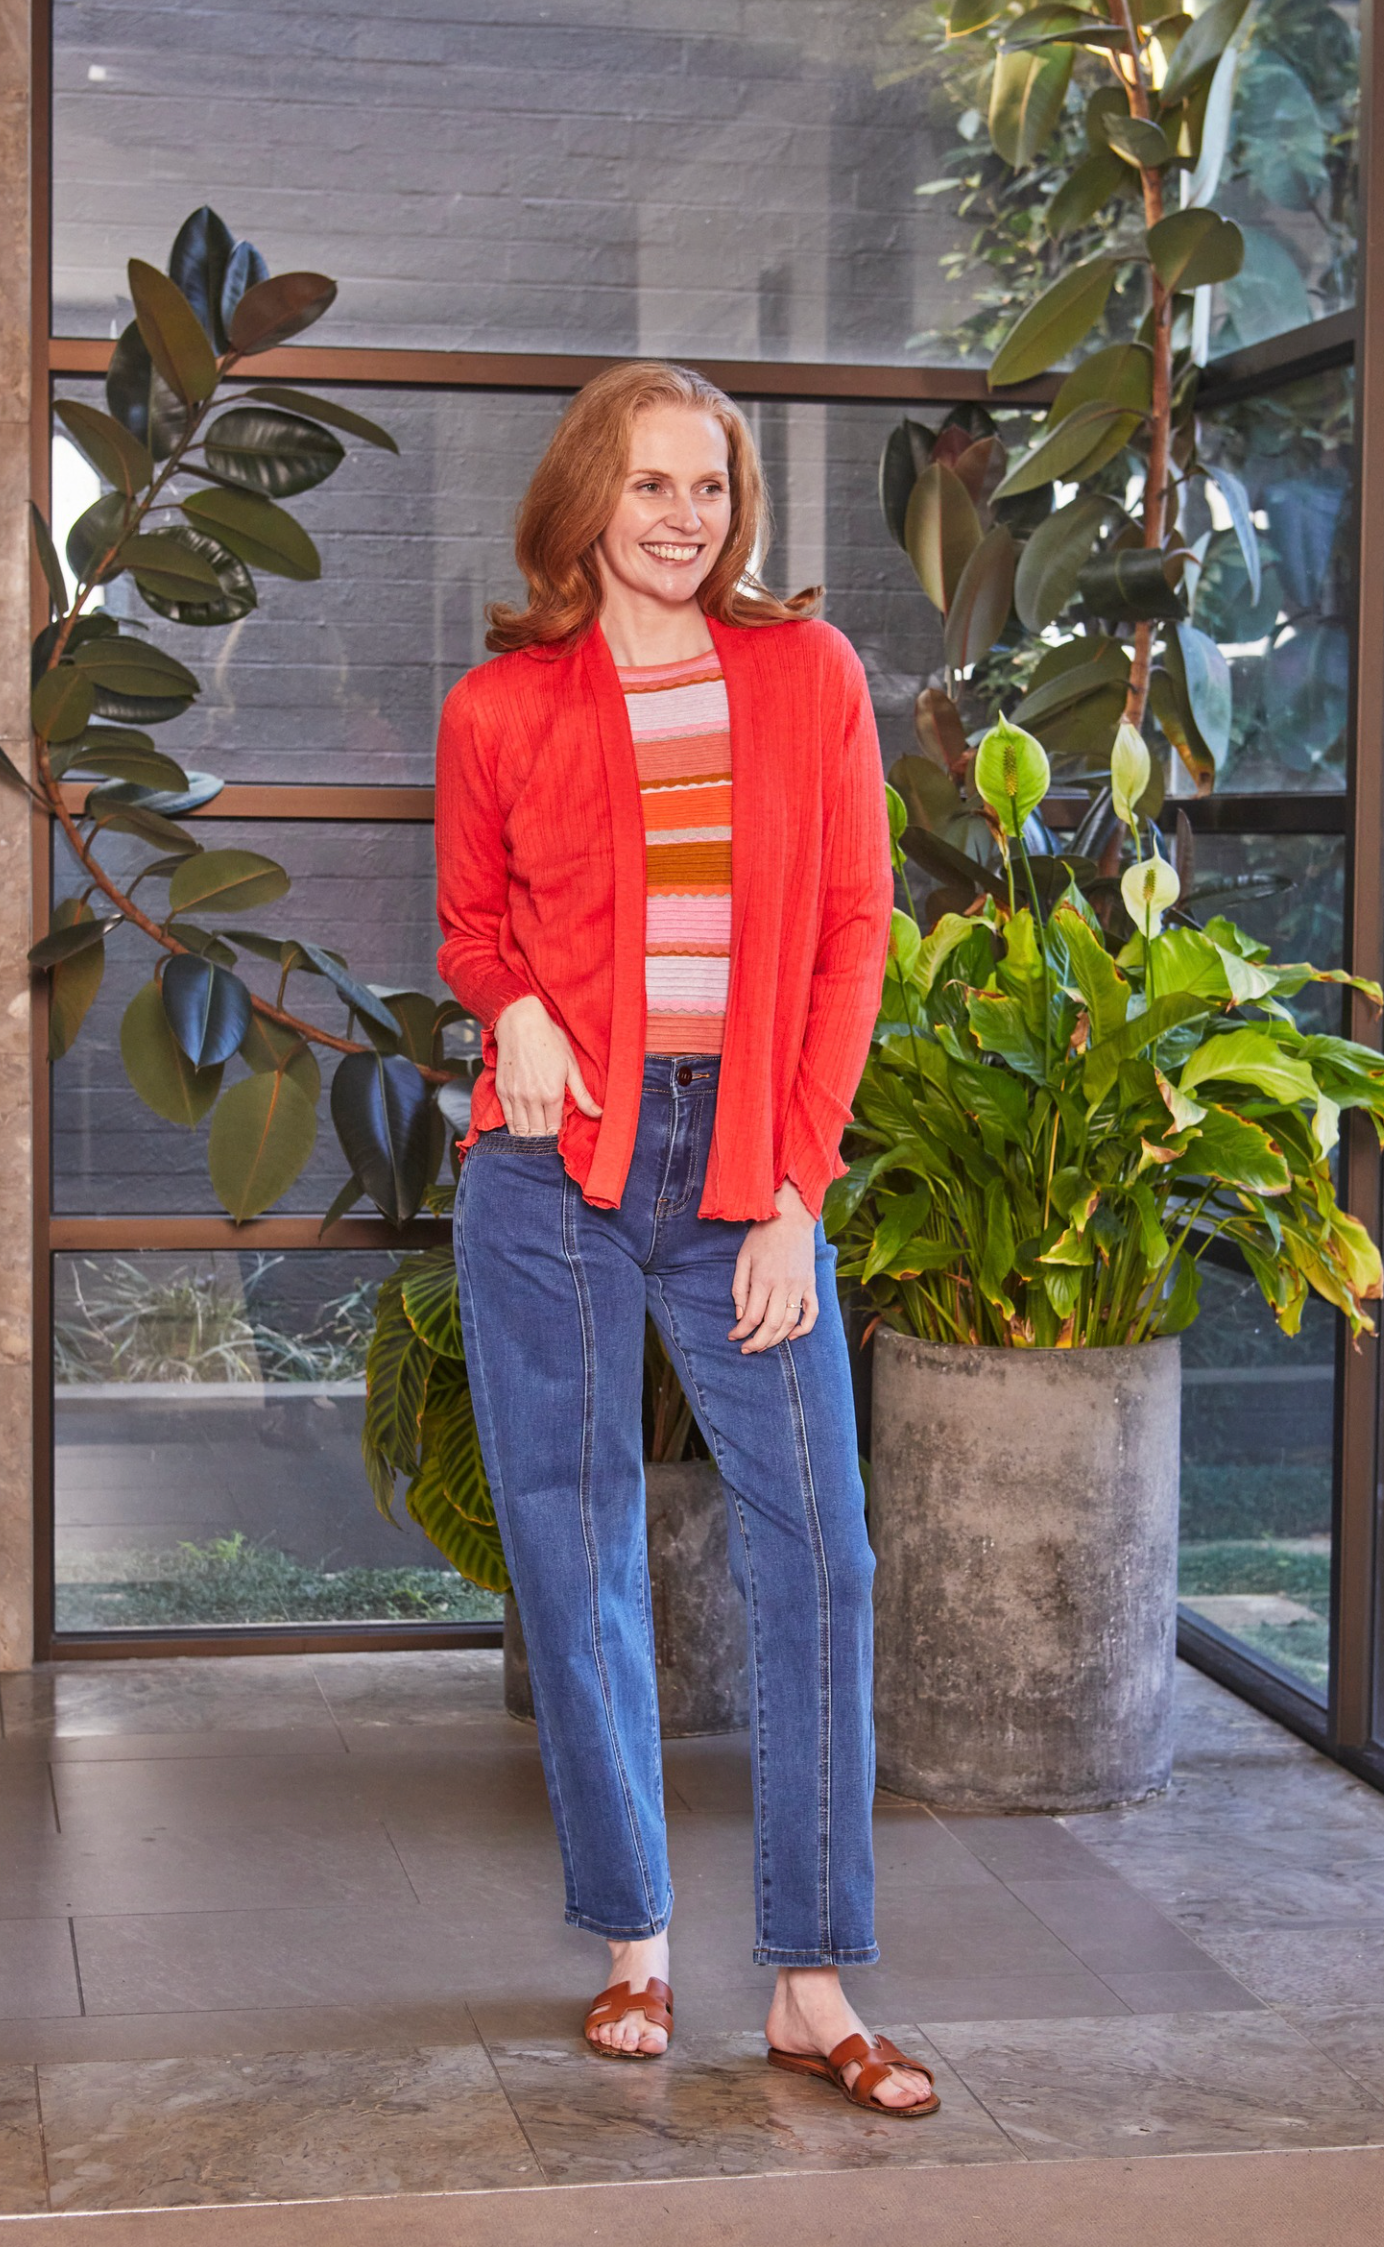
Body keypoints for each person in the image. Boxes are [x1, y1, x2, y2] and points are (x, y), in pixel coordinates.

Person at [435, 361, 937, 2116]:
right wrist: (509, 1005)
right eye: (649, 484)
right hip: (546, 1173)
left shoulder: (807, 676)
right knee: (575, 1551)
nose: (680, 516)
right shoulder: (501, 705)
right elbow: (470, 922)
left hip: (741, 1169)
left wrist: (796, 1190)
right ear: (588, 498)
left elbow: (854, 932)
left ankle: (808, 1980)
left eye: (708, 486)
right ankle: (633, 1944)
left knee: (821, 1553)